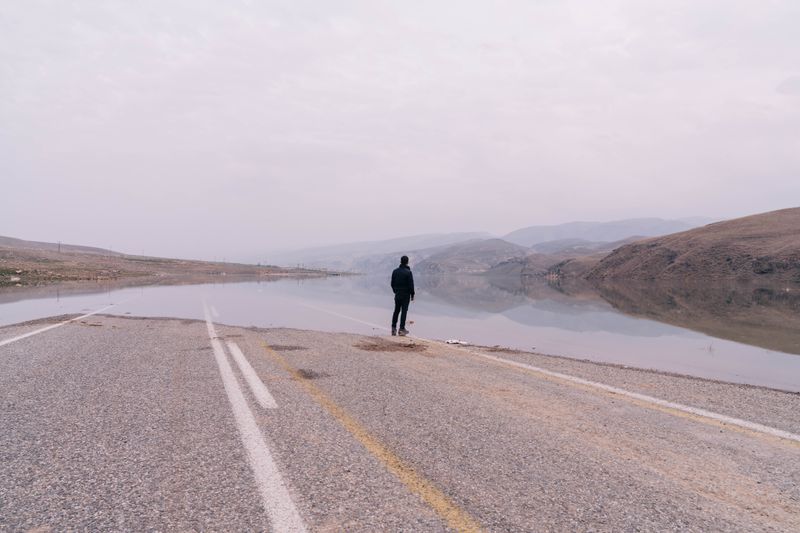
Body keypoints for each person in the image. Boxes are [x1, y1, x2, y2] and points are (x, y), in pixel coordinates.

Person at [390, 255, 415, 336]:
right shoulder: (408, 272)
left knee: (396, 311)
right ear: (407, 262)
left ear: (400, 261)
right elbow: (411, 285)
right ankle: (401, 329)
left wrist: (395, 291)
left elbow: (392, 283)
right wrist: (412, 295)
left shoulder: (395, 271)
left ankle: (393, 328)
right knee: (404, 311)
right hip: (406, 295)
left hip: (397, 294)